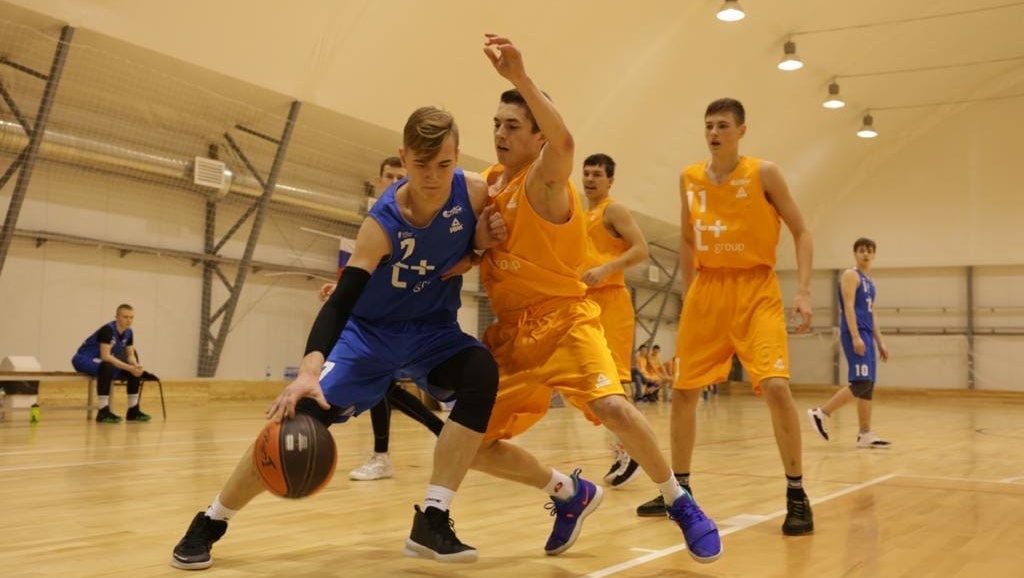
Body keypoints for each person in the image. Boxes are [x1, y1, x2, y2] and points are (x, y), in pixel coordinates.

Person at [170, 106, 507, 570]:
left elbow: (488, 240)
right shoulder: (382, 224)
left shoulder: (473, 193)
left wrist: (480, 246)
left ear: (457, 157)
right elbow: (340, 303)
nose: (433, 177)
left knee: (481, 372)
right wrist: (308, 372)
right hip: (369, 336)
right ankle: (212, 519)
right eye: (421, 165)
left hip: (432, 333)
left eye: (444, 164)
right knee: (295, 418)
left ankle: (433, 517)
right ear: (403, 158)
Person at [468, 34, 721, 563]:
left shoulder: (545, 179)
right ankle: (568, 492)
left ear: (537, 137)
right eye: (496, 124)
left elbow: (564, 144)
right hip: (513, 336)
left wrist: (520, 78)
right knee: (469, 444)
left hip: (565, 320)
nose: (500, 134)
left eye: (512, 125)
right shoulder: (488, 184)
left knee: (612, 405)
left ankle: (679, 500)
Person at [634, 98, 815, 538]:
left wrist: (805, 290)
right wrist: (689, 292)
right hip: (708, 291)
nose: (714, 133)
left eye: (723, 126)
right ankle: (679, 491)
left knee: (776, 387)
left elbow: (801, 230)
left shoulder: (764, 173)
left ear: (741, 131)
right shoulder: (689, 178)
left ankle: (796, 493)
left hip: (756, 287)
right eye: (709, 126)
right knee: (683, 392)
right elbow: (687, 239)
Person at [320, 157, 449, 482]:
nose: (394, 181)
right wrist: (341, 288)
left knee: (380, 384)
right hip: (380, 321)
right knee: (382, 386)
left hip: (409, 321)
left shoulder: (417, 220)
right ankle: (424, 437)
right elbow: (370, 272)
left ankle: (391, 452)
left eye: (399, 176)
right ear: (379, 181)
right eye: (389, 176)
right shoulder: (378, 219)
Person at [579, 153, 650, 489]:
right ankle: (625, 447)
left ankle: (631, 449)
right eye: (586, 173)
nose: (590, 179)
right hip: (585, 304)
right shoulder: (581, 215)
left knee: (613, 382)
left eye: (597, 174)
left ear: (610, 180)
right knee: (593, 384)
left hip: (611, 302)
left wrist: (607, 268)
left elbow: (641, 250)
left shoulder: (613, 210)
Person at [808, 237, 891, 448]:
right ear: (855, 253)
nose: (866, 254)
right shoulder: (850, 275)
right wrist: (855, 336)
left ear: (874, 254)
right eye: (862, 250)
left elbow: (872, 313)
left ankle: (865, 434)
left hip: (867, 335)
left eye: (870, 250)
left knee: (868, 385)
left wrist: (880, 341)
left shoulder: (870, 281)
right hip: (855, 332)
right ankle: (821, 412)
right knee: (861, 382)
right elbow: (848, 306)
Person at [71, 303, 150, 423]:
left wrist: (135, 365)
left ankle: (133, 410)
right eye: (125, 317)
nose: (129, 320)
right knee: (107, 366)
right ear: (117, 317)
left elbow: (130, 354)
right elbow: (105, 356)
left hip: (102, 361)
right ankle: (103, 411)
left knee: (134, 370)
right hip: (84, 359)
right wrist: (129, 367)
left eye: (131, 317)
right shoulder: (107, 330)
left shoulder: (129, 332)